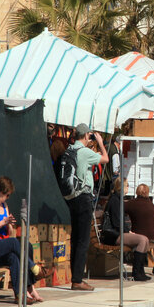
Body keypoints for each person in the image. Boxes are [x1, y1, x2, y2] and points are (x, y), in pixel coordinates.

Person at [65, 123, 108, 291]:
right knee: (83, 240)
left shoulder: (70, 150)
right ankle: (77, 280)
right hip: (83, 198)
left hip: (71, 198)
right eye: (89, 136)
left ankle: (75, 276)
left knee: (75, 239)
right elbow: (105, 159)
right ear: (85, 136)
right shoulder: (84, 152)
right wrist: (101, 142)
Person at [102, 179, 153, 281]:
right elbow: (117, 223)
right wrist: (127, 231)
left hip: (119, 233)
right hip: (114, 236)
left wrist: (127, 231)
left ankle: (140, 271)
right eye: (127, 185)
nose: (128, 188)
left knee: (145, 240)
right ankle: (136, 272)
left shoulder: (119, 200)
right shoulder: (115, 201)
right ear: (122, 187)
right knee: (142, 240)